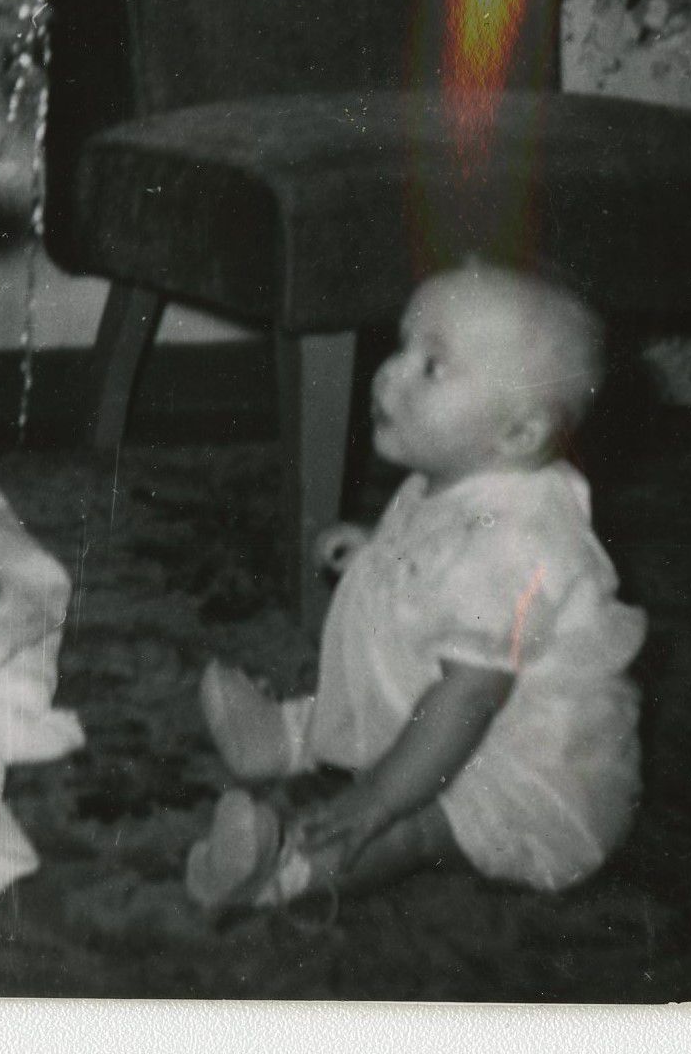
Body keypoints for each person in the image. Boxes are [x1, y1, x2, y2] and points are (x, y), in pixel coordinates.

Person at [185, 261, 646, 911]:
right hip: (449, 708)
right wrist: (377, 545)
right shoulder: (471, 471)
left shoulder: (519, 543)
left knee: (410, 825)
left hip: (522, 770)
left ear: (519, 432)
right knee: (389, 680)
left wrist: (378, 796)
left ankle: (279, 872)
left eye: (431, 366)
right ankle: (283, 739)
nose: (387, 372)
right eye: (402, 346)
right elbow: (440, 540)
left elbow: (469, 698)